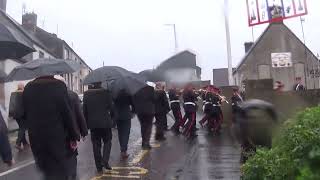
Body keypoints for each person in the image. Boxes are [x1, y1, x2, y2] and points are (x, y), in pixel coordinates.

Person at [23, 76, 80, 180]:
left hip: (36, 139)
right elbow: (67, 114)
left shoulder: (28, 88)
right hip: (56, 139)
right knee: (59, 172)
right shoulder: (58, 86)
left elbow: (25, 114)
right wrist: (73, 136)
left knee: (47, 171)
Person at [83, 82, 114, 173]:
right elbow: (111, 108)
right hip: (105, 123)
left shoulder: (87, 94)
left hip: (93, 124)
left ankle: (99, 166)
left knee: (96, 145)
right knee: (108, 141)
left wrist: (86, 124)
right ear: (100, 83)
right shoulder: (106, 93)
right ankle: (105, 161)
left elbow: (84, 110)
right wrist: (111, 118)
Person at [67, 89, 88, 180]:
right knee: (72, 153)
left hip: (54, 133)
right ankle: (72, 175)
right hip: (71, 131)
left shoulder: (47, 95)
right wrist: (83, 132)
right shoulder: (72, 95)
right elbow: (79, 114)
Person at [9, 83, 29, 151]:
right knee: (23, 128)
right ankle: (18, 143)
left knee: (21, 127)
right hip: (22, 114)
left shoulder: (13, 93)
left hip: (15, 114)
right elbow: (25, 104)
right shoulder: (23, 93)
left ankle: (25, 142)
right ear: (22, 87)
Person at [114, 89, 133, 159]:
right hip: (126, 115)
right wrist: (133, 111)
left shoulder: (114, 93)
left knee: (120, 133)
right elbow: (132, 103)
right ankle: (123, 150)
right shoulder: (128, 93)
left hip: (118, 115)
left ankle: (122, 148)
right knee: (126, 133)